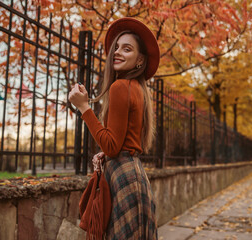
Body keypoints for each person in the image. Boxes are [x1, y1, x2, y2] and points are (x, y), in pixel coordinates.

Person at [68, 17, 159, 240]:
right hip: (134, 174)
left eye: (127, 49)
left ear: (140, 60)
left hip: (122, 176)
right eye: (116, 47)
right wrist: (107, 154)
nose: (117, 52)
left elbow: (111, 146)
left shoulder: (120, 87)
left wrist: (83, 108)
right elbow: (122, 142)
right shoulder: (138, 88)